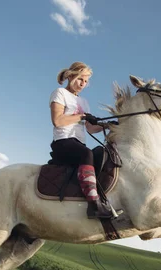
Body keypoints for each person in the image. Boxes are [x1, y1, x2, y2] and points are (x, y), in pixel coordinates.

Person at [49, 61, 118, 219]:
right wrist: (81, 116)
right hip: (63, 141)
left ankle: (102, 198)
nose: (83, 84)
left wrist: (107, 125)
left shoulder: (84, 102)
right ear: (71, 76)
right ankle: (93, 206)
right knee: (86, 153)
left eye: (86, 81)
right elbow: (57, 121)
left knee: (101, 152)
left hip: (78, 143)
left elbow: (90, 128)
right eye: (81, 79)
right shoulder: (59, 93)